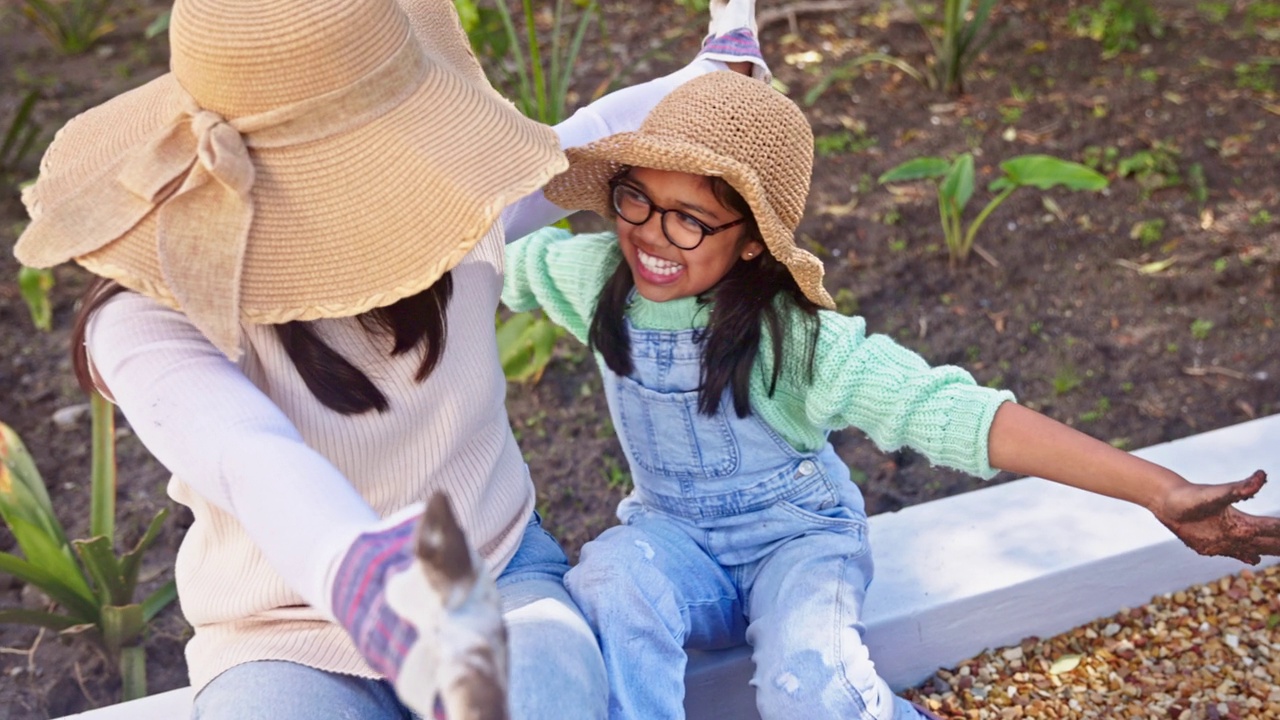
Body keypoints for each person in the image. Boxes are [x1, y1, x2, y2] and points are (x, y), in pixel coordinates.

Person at [12, 0, 771, 718]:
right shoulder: (147, 315)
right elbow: (248, 453)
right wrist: (370, 581)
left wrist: (713, 72)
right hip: (281, 632)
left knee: (548, 690)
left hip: (490, 571)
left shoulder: (448, 215)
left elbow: (577, 141)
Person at [500, 69, 1280, 720]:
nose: (651, 235)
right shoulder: (593, 277)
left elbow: (956, 414)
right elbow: (469, 256)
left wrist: (1160, 489)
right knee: (606, 583)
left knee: (813, 691)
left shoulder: (794, 340)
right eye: (636, 200)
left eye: (690, 220)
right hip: (672, 546)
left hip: (795, 544)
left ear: (750, 239)